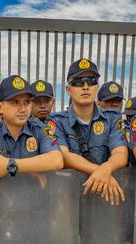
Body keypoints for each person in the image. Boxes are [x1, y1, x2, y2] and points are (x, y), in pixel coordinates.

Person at [46, 58, 129, 205]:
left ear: (96, 87)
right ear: (68, 90)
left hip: (105, 197)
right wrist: (100, 171)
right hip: (68, 199)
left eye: (91, 81)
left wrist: (107, 169)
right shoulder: (56, 121)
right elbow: (63, 155)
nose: (85, 87)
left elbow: (121, 154)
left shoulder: (113, 118)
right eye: (78, 82)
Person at [0, 75, 62, 183]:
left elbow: (57, 160)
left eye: (27, 102)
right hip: (0, 193)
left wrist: (12, 165)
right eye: (15, 102)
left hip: (33, 193)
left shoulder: (39, 129)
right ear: (0, 107)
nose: (23, 109)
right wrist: (30, 169)